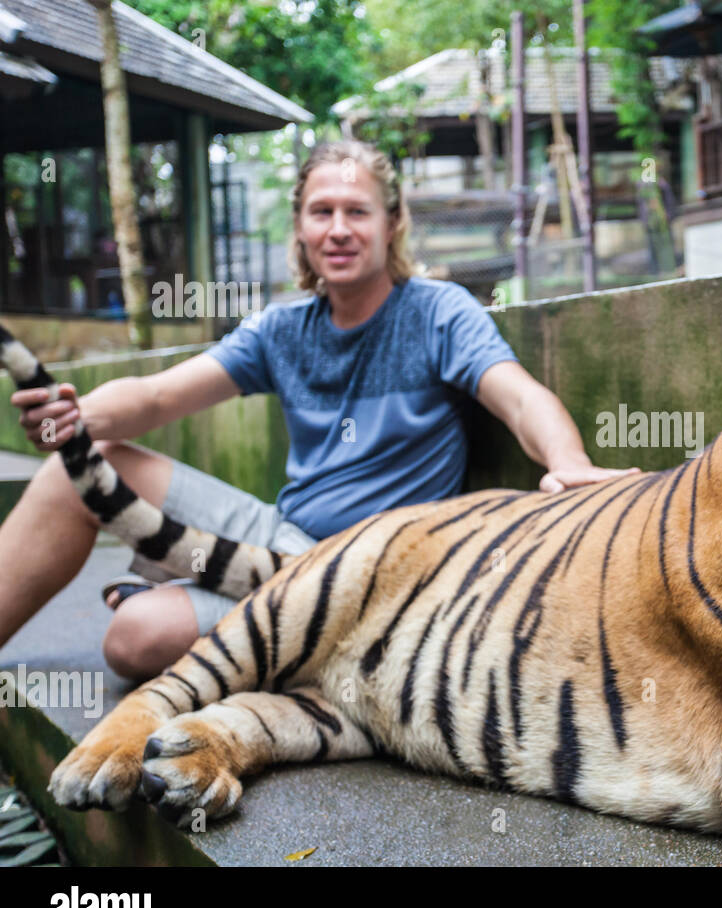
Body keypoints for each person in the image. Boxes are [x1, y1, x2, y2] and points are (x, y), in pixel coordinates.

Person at [0, 139, 635, 679]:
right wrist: (72, 416)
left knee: (133, 639)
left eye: (356, 212)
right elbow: (159, 396)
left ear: (392, 224)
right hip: (278, 535)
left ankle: (200, 598)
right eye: (320, 211)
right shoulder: (280, 330)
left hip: (366, 579)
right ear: (301, 230)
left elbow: (520, 397)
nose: (338, 229)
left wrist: (569, 463)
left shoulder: (439, 313)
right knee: (78, 470)